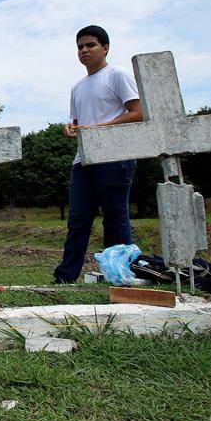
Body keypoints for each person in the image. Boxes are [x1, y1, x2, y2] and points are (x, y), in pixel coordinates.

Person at [54, 25, 144, 283]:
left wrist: (99, 129)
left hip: (115, 155)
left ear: (105, 48)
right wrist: (70, 128)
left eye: (90, 45)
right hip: (83, 159)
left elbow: (137, 113)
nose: (84, 50)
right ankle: (65, 277)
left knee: (115, 215)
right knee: (78, 219)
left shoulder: (117, 74)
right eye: (80, 46)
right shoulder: (77, 87)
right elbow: (77, 122)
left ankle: (120, 275)